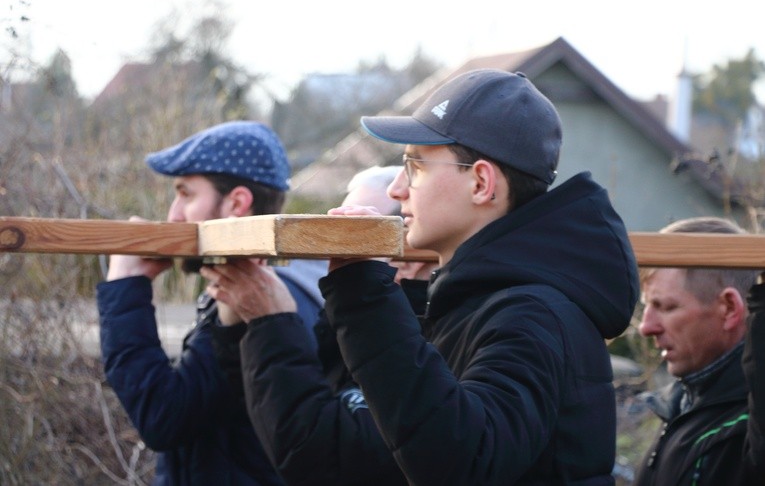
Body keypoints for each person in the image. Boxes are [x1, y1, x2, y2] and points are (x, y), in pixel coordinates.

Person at [205, 69, 640, 484]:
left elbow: (463, 463)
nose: (397, 189)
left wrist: (362, 293)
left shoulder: (531, 316)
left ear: (481, 183)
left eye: (415, 166)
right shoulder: (486, 303)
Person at [96, 121, 325, 485]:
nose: (173, 215)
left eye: (186, 194)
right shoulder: (265, 287)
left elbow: (163, 417)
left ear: (236, 203)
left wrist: (125, 285)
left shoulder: (257, 305)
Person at [205, 164, 437, 486]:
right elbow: (265, 416)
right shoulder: (342, 325)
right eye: (335, 224)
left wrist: (270, 322)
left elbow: (319, 458)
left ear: (406, 254)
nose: (333, 247)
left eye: (357, 228)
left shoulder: (425, 336)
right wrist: (238, 327)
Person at [633, 216, 765, 485]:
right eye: (647, 305)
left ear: (729, 308)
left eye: (667, 307)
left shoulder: (750, 425)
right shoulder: (684, 404)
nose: (646, 327)